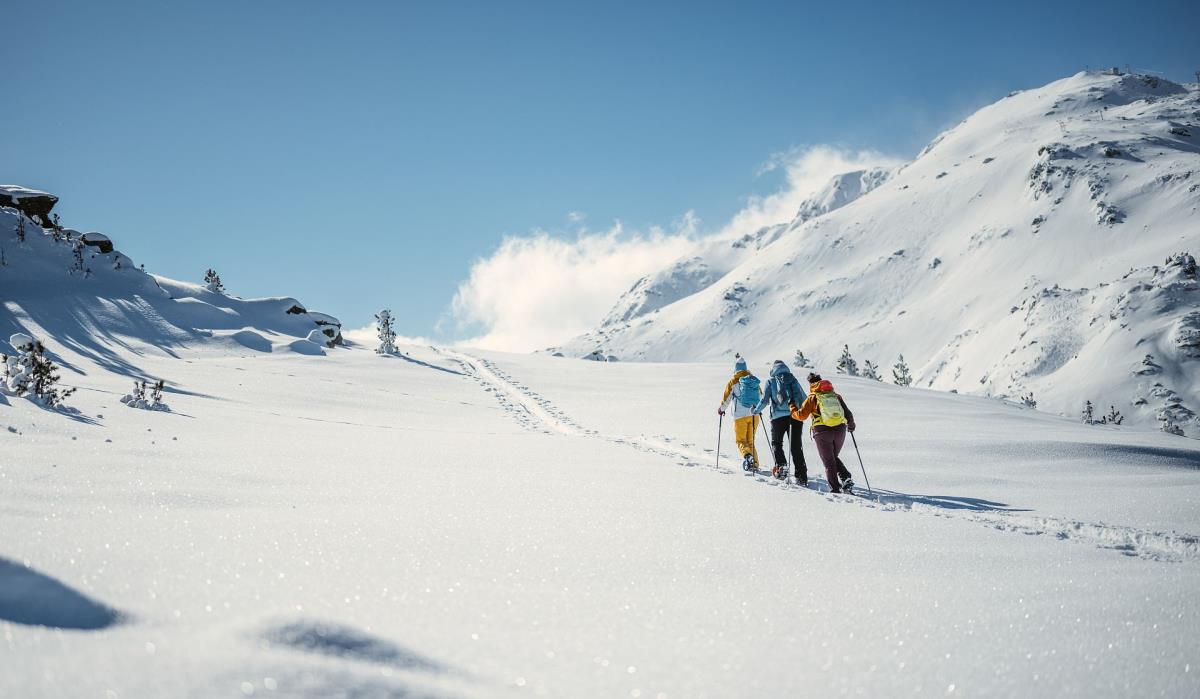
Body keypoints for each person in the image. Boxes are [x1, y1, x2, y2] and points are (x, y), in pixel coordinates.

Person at [790, 372, 856, 494]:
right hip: (840, 429)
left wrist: (792, 407)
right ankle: (845, 477)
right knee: (832, 457)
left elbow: (801, 416)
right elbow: (847, 412)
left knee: (829, 461)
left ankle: (835, 489)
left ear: (811, 384)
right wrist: (851, 425)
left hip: (822, 431)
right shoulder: (835, 396)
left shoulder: (812, 397)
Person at [753, 360, 809, 483]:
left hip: (778, 418)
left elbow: (764, 400)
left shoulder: (771, 381)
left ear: (774, 369)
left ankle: (781, 467)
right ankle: (802, 476)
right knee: (796, 446)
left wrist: (755, 411)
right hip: (795, 416)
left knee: (777, 443)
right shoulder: (793, 380)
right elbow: (804, 398)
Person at [718, 356, 763, 472]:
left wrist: (721, 409)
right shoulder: (753, 380)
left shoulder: (733, 382)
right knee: (751, 441)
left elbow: (727, 399)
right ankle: (755, 464)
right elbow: (761, 396)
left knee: (741, 440)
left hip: (740, 417)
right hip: (754, 415)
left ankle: (748, 457)